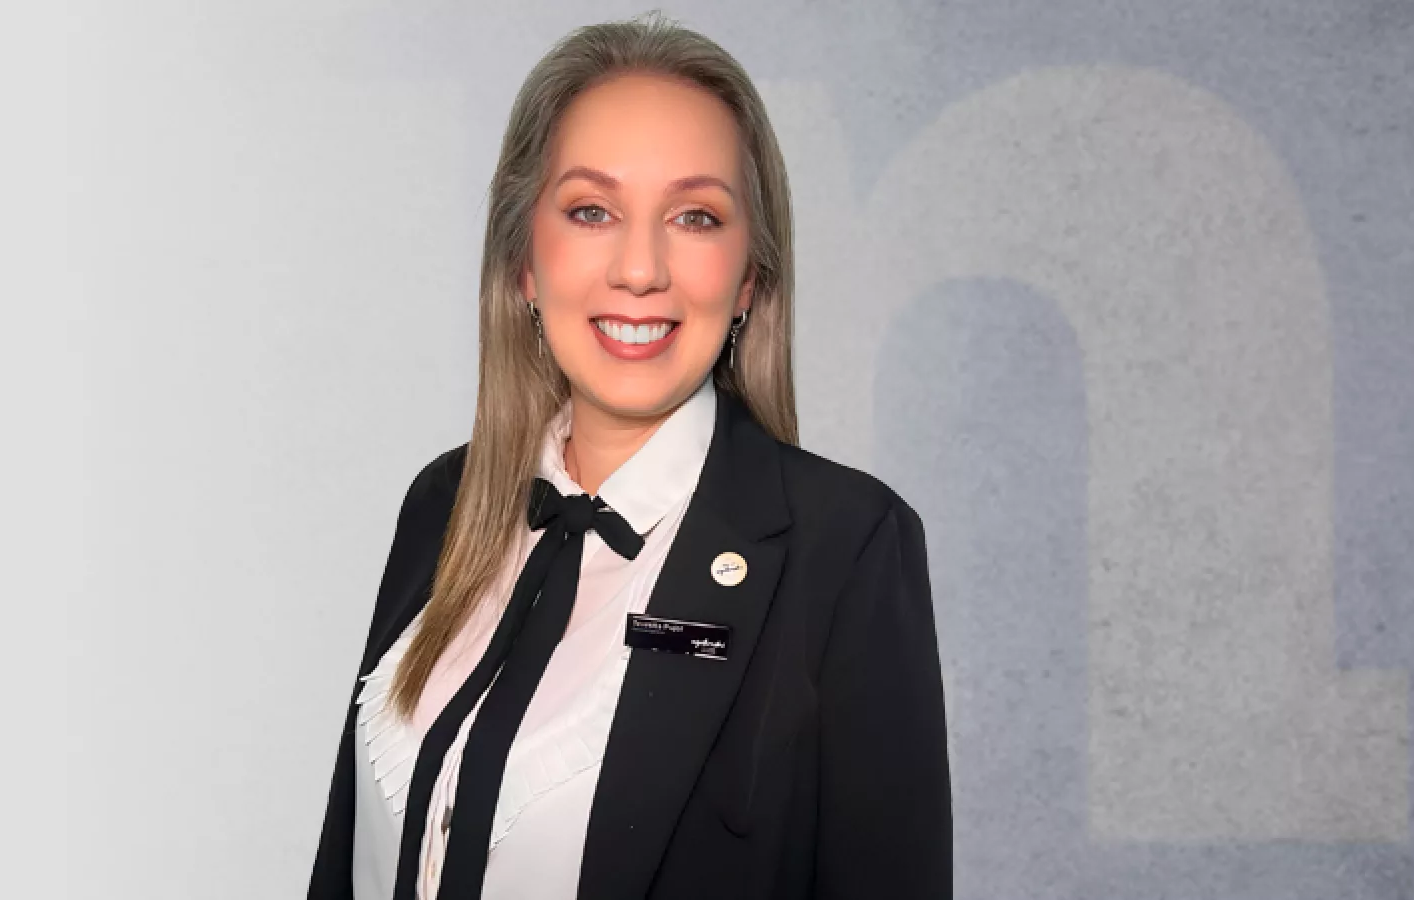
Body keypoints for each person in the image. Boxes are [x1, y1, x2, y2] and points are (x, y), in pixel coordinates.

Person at [309, 13, 950, 900]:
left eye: (694, 217)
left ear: (749, 277)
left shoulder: (846, 548)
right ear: (524, 260)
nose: (640, 269)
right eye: (591, 211)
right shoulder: (444, 501)